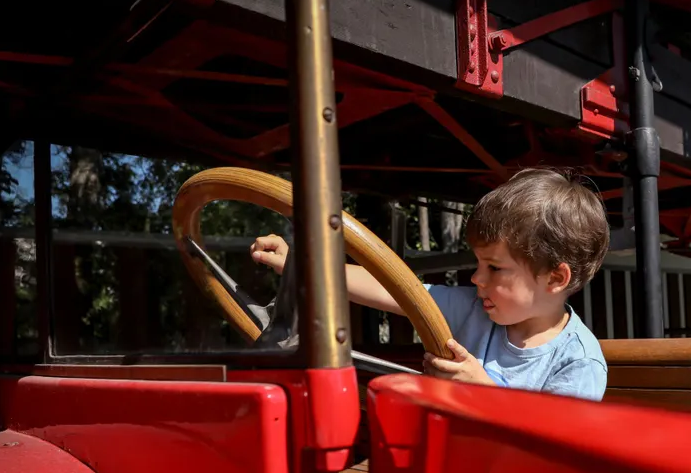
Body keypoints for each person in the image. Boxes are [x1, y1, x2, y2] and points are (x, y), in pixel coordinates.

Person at [250, 168, 611, 401]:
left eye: (495, 269)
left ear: (555, 278)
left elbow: (557, 446)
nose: (476, 279)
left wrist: (485, 392)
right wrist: (304, 268)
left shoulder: (576, 362)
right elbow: (397, 288)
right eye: (478, 264)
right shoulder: (475, 308)